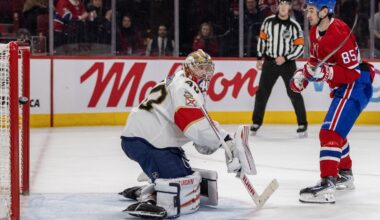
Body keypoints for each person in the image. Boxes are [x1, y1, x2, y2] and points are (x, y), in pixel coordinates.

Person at [119, 49, 241, 218]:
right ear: (190, 68)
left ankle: (152, 183)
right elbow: (194, 127)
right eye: (200, 68)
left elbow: (198, 125)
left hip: (154, 140)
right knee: (180, 186)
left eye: (207, 68)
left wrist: (224, 140)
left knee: (189, 178)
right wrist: (224, 142)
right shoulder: (185, 86)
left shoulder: (180, 81)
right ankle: (150, 198)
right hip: (148, 142)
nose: (205, 73)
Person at [290, 0, 374, 203]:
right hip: (343, 87)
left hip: (356, 86)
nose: (307, 14)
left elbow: (353, 72)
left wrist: (326, 72)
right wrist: (303, 77)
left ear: (324, 11)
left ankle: (328, 182)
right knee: (338, 132)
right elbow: (314, 62)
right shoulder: (313, 32)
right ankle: (344, 174)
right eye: (307, 10)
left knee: (330, 132)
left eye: (311, 10)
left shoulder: (340, 31)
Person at [251, 0, 307, 136]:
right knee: (262, 93)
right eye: (280, 4)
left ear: (289, 7)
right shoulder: (268, 22)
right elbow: (262, 40)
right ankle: (256, 122)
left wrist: (286, 57)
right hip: (270, 62)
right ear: (277, 6)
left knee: (294, 93)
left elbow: (300, 46)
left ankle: (302, 124)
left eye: (285, 4)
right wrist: (259, 57)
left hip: (288, 64)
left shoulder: (294, 26)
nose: (283, 7)